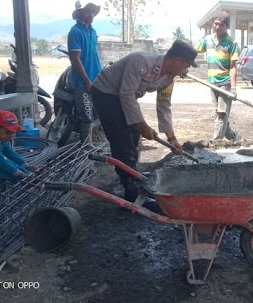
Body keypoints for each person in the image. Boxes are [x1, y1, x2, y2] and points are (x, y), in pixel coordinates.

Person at [90, 40, 198, 202]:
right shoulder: (141, 61)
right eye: (186, 65)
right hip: (105, 92)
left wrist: (172, 138)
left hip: (125, 96)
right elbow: (126, 95)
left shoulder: (168, 78)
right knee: (122, 138)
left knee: (134, 135)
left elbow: (164, 105)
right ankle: (130, 190)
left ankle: (132, 173)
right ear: (178, 61)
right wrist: (142, 125)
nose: (186, 70)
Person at [195, 11, 240, 140]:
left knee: (221, 114)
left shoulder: (232, 43)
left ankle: (216, 144)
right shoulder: (207, 40)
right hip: (212, 82)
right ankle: (233, 137)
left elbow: (232, 66)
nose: (217, 27)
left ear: (227, 26)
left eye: (221, 25)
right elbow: (194, 50)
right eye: (215, 24)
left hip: (225, 83)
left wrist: (233, 88)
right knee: (220, 114)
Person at [67, 1, 102, 140]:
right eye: (87, 11)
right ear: (79, 14)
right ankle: (85, 146)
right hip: (83, 82)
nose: (90, 14)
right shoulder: (75, 32)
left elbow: (94, 55)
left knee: (97, 112)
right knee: (86, 115)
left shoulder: (93, 32)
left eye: (92, 11)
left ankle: (94, 143)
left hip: (97, 79)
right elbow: (75, 59)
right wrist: (87, 81)